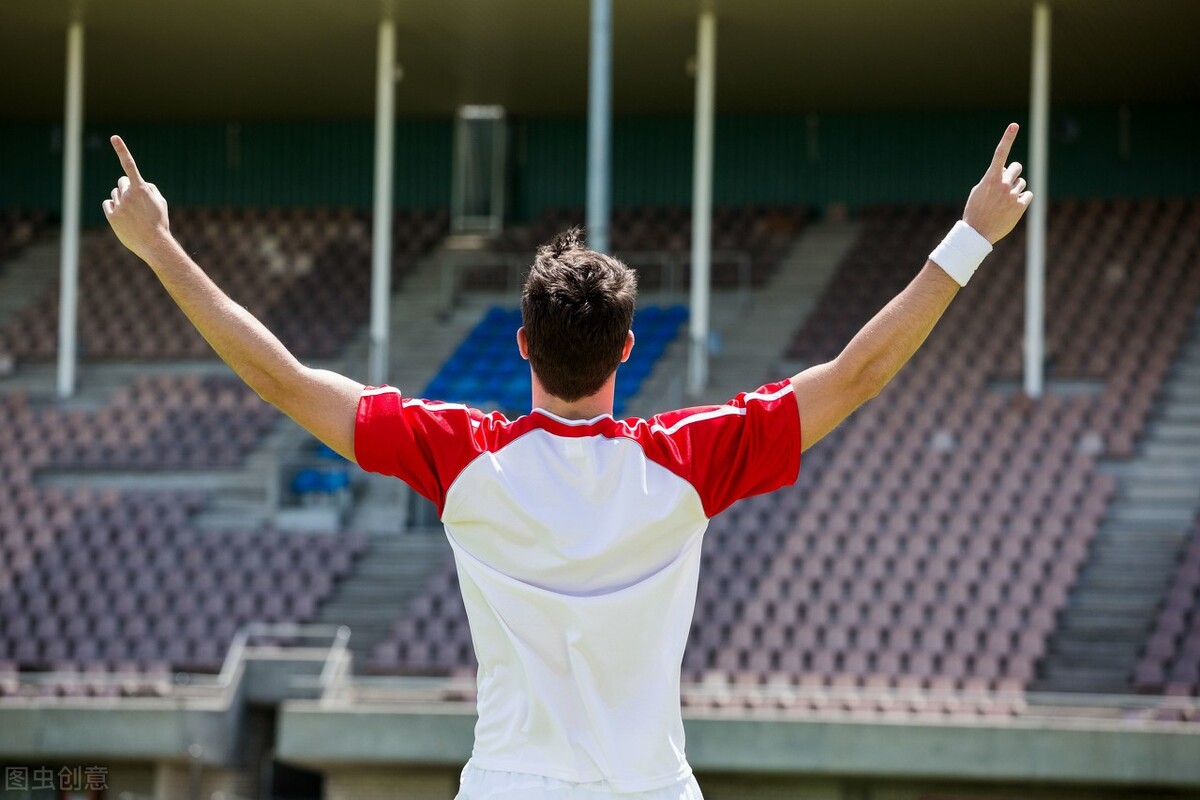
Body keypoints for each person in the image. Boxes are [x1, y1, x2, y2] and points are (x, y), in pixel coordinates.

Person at [103, 125, 1031, 799]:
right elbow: (860, 372)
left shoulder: (465, 460)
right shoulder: (688, 463)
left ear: (520, 344)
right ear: (630, 350)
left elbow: (286, 380)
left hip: (510, 786)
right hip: (650, 789)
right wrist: (972, 234)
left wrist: (160, 248)